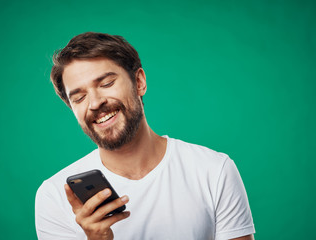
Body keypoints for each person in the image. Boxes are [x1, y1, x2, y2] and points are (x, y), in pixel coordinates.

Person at [35, 32, 255, 240]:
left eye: (107, 84)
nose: (94, 103)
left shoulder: (214, 170)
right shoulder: (53, 196)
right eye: (79, 97)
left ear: (139, 82)